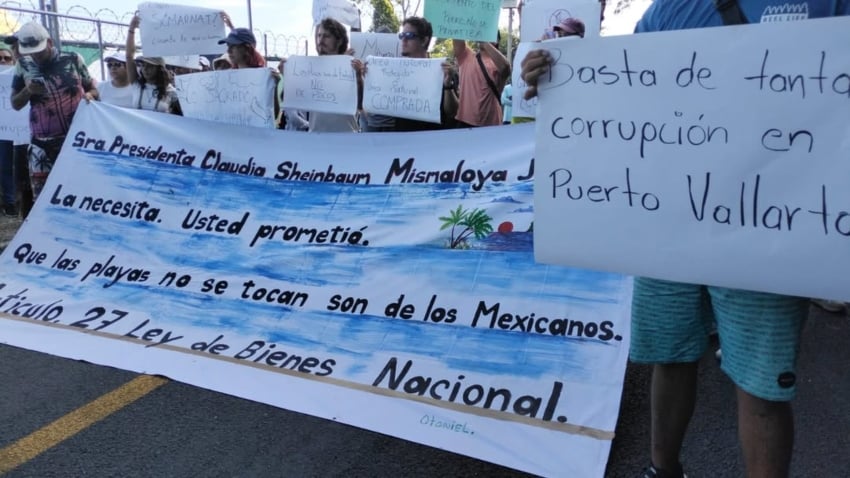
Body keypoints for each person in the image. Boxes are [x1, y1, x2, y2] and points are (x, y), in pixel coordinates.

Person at [521, 1, 850, 477]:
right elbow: (624, 93)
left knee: (761, 386)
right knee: (668, 357)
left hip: (766, 231)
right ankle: (663, 469)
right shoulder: (669, 10)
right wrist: (556, 80)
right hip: (669, 225)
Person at [10, 21, 97, 202]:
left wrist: (89, 95)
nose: (35, 56)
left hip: (75, 141)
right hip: (41, 146)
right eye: (31, 52)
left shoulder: (73, 59)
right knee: (43, 199)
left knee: (79, 194)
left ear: (49, 42)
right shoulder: (23, 65)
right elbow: (15, 104)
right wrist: (28, 91)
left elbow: (93, 89)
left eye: (39, 51)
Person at [308, 18, 358, 133]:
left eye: (326, 36)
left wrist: (358, 76)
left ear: (339, 41)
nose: (320, 40)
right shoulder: (309, 68)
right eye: (319, 36)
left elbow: (361, 105)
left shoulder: (352, 66)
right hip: (316, 136)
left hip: (344, 137)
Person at [125, 14, 181, 115]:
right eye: (143, 65)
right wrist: (131, 29)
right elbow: (129, 57)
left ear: (159, 69)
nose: (145, 69)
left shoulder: (171, 92)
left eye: (150, 66)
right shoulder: (137, 85)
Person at [452, 32, 510, 127]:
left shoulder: (497, 63)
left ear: (496, 41)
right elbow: (457, 32)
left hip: (491, 124)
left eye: (488, 33)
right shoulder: (466, 56)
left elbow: (505, 67)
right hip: (465, 122)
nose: (483, 35)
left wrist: (484, 42)